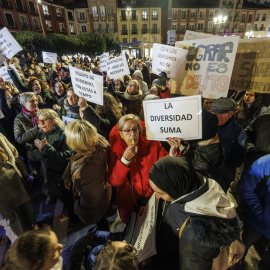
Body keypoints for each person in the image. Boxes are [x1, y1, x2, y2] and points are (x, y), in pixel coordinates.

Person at [149, 156, 241, 270]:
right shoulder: (202, 184)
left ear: (175, 187)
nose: (157, 197)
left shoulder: (196, 234)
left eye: (160, 193)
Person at [107, 114, 178, 224]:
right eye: (127, 131)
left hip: (152, 198)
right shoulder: (116, 151)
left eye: (135, 129)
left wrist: (172, 153)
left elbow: (166, 166)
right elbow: (114, 182)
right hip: (128, 202)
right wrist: (124, 160)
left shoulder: (152, 144)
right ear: (121, 134)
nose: (133, 134)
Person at [62, 120, 111, 227]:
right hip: (98, 198)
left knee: (100, 225)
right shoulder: (90, 143)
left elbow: (91, 198)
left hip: (92, 208)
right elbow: (75, 159)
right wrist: (67, 175)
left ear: (75, 143)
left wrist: (77, 207)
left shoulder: (91, 168)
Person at [27, 109, 73, 207]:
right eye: (40, 120)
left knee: (66, 198)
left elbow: (68, 156)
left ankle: (71, 215)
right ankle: (51, 195)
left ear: (54, 120)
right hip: (46, 173)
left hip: (61, 176)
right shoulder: (41, 133)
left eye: (45, 119)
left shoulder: (63, 134)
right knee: (50, 189)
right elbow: (30, 154)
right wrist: (40, 152)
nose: (41, 123)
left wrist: (47, 149)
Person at [0, 133, 35, 244]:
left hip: (17, 182)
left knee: (30, 217)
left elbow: (14, 152)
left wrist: (24, 173)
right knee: (18, 228)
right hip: (3, 197)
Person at [238, 154, 270, 270]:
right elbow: (245, 184)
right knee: (238, 252)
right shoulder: (268, 162)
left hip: (260, 219)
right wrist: (259, 211)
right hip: (259, 222)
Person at [211, 98, 246, 190]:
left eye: (221, 113)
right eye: (214, 113)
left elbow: (239, 157)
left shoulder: (238, 131)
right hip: (203, 174)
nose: (217, 116)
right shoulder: (204, 125)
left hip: (223, 176)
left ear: (231, 114)